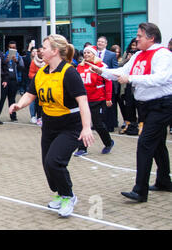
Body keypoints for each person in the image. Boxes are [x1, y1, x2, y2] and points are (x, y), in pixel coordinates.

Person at [9, 34, 94, 218]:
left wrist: (86, 127)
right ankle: (60, 193)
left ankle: (69, 197)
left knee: (54, 162)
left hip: (70, 125)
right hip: (49, 125)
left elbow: (83, 102)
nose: (41, 50)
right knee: (47, 166)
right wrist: (19, 105)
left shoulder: (69, 72)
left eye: (45, 47)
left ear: (55, 51)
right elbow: (30, 94)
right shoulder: (42, 72)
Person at [90, 22, 172, 202]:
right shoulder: (138, 56)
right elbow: (122, 72)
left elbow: (161, 78)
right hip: (146, 106)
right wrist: (101, 71)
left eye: (140, 36)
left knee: (145, 144)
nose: (137, 39)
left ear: (151, 38)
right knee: (157, 143)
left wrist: (131, 78)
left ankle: (140, 190)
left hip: (161, 105)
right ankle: (164, 180)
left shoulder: (163, 55)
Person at [74, 45, 115, 156]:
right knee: (83, 124)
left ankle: (108, 142)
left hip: (98, 99)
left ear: (94, 54)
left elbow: (108, 82)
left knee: (98, 124)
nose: (86, 55)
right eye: (85, 52)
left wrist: (108, 97)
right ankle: (82, 148)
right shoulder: (80, 67)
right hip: (84, 100)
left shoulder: (101, 66)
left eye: (89, 53)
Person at [96, 36, 118, 132]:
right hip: (97, 84)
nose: (100, 43)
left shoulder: (111, 55)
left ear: (106, 44)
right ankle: (99, 123)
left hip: (108, 83)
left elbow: (115, 68)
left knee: (109, 105)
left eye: (102, 42)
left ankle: (110, 125)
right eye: (98, 41)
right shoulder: (94, 54)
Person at [2, 41, 24, 122]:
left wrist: (16, 61)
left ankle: (13, 116)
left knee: (12, 99)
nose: (12, 49)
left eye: (14, 47)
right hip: (5, 80)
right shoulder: (4, 56)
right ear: (8, 48)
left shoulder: (19, 57)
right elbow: (0, 66)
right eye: (11, 47)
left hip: (14, 80)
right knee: (2, 99)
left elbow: (22, 67)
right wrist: (6, 61)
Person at [28, 47, 45, 125]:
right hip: (36, 84)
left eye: (42, 51)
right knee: (34, 101)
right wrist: (38, 75)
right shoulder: (33, 62)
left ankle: (41, 117)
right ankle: (34, 116)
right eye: (39, 51)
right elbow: (30, 74)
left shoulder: (47, 61)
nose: (41, 53)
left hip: (45, 84)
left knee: (42, 102)